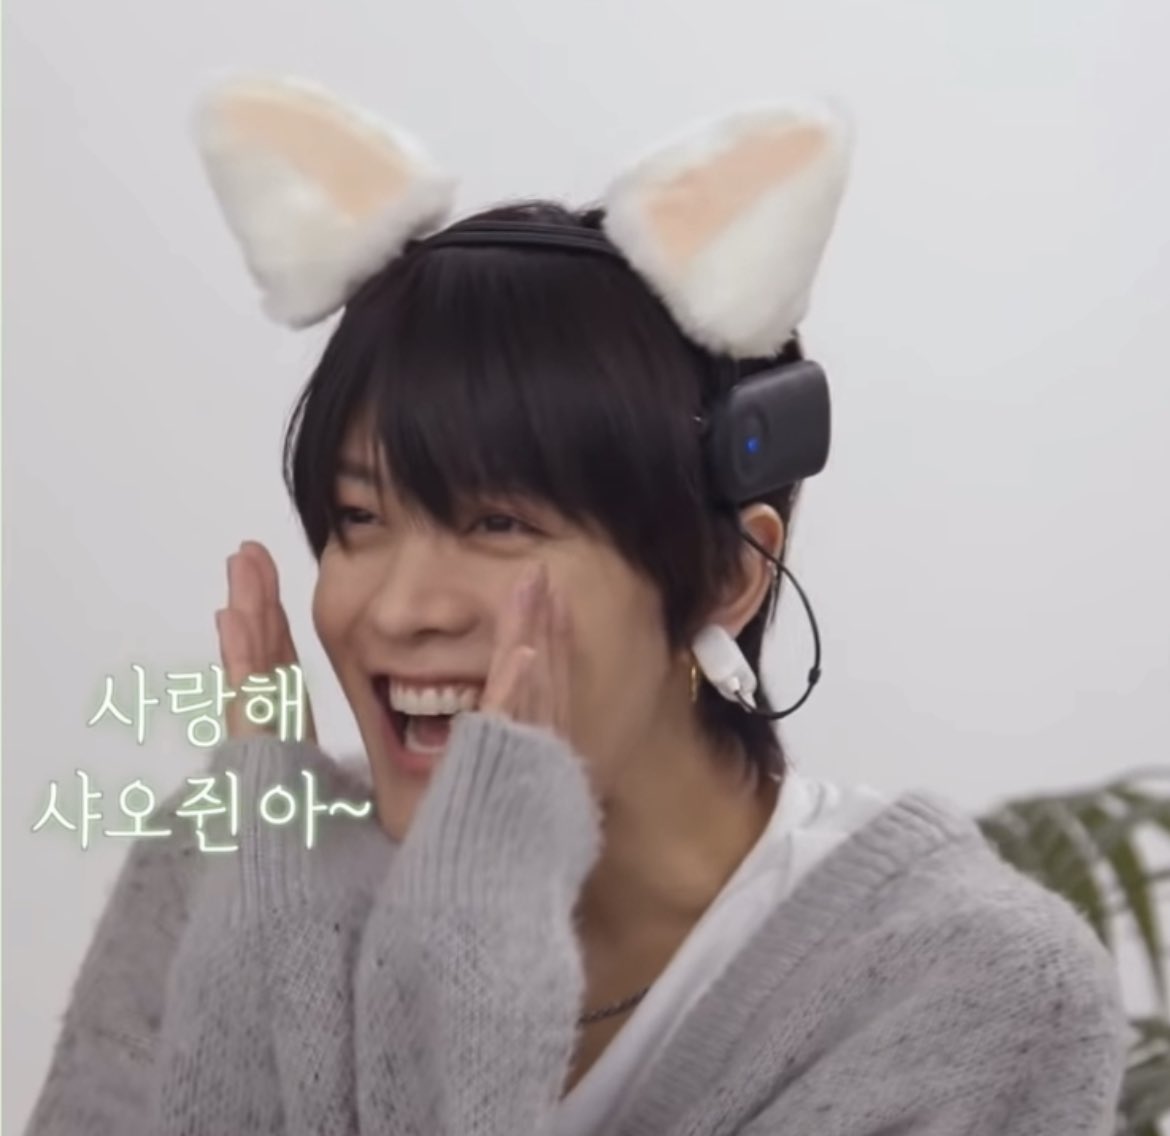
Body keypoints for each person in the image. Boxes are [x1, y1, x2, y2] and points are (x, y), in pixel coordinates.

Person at [27, 75, 1129, 1135]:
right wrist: (274, 910)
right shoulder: (233, 864)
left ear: (730, 574)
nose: (399, 608)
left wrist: (473, 927)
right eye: (360, 516)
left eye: (498, 522)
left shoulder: (967, 992)